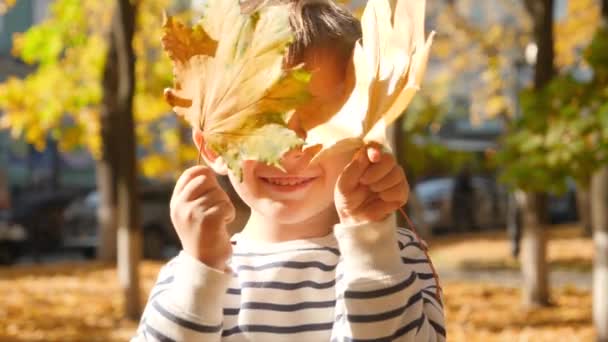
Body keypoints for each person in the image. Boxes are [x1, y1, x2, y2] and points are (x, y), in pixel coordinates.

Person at [133, 1, 445, 341]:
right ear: (212, 146)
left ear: (363, 132)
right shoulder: (185, 276)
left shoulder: (395, 257)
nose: (290, 149)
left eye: (318, 121)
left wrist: (370, 245)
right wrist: (202, 273)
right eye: (261, 121)